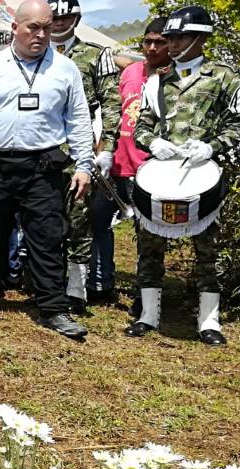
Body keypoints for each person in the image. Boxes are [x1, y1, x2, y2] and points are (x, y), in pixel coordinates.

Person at [0, 0, 94, 340]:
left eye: (47, 27)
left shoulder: (66, 69)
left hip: (42, 167)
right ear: (15, 28)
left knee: (47, 237)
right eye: (33, 27)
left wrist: (84, 163)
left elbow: (79, 119)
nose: (41, 34)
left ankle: (53, 308)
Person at [130, 6, 240, 346]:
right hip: (162, 174)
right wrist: (153, 141)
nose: (172, 43)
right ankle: (148, 315)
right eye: (170, 37)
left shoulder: (226, 77)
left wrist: (212, 147)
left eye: (179, 36)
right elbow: (142, 126)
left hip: (203, 175)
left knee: (208, 247)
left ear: (200, 38)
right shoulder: (157, 81)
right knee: (149, 244)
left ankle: (209, 320)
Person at [46, 0, 121, 313]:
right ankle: (46, 283)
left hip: (80, 146)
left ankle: (77, 290)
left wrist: (107, 147)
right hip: (42, 146)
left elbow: (113, 103)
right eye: (55, 17)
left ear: (76, 18)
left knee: (80, 221)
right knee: (45, 219)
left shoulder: (96, 55)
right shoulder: (36, 52)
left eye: (67, 17)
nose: (60, 23)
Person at [91, 18, 171, 305]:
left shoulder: (173, 79)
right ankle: (101, 284)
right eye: (147, 41)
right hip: (115, 164)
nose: (151, 47)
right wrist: (103, 147)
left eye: (159, 42)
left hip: (148, 167)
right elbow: (116, 112)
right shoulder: (130, 71)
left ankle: (145, 297)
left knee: (147, 236)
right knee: (98, 222)